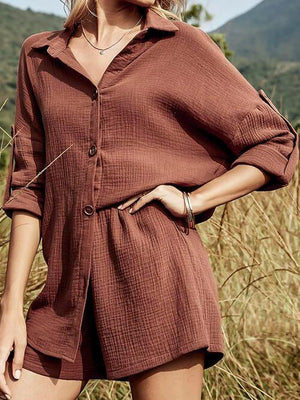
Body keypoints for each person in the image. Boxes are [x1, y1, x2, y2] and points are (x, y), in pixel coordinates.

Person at [0, 0, 298, 399]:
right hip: (64, 296)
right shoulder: (39, 55)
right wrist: (10, 307)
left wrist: (194, 201)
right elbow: (29, 186)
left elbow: (275, 139)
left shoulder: (181, 45)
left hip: (158, 281)